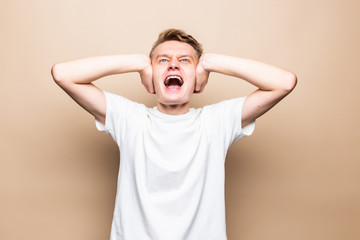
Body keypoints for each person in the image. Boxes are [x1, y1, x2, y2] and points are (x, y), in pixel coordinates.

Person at [51, 29, 297, 240]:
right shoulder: (131, 119)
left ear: (198, 78)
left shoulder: (215, 122)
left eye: (185, 61)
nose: (173, 65)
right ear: (151, 77)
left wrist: (210, 62)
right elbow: (63, 74)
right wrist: (138, 62)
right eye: (162, 60)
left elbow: (284, 82)